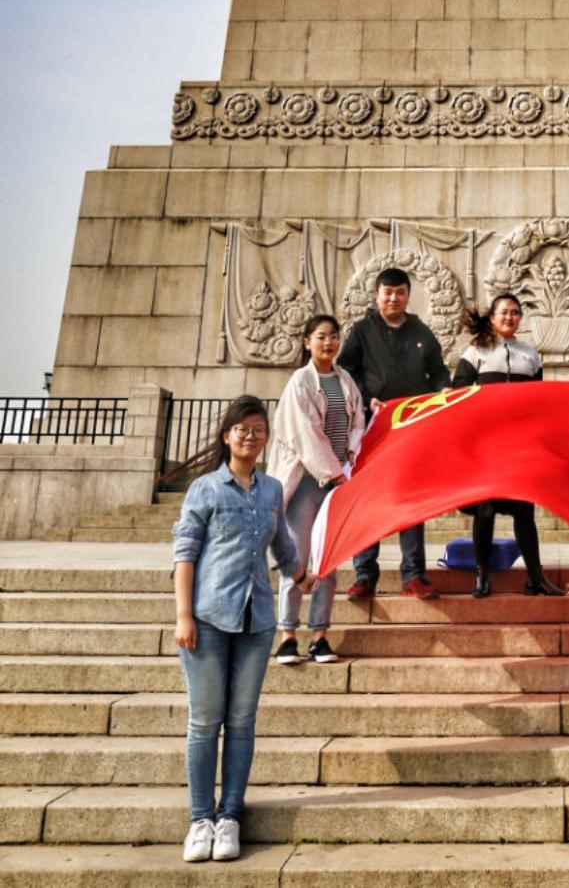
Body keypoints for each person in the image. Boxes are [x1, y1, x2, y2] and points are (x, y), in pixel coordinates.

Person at [172, 395, 312, 865]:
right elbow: (185, 553)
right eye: (242, 429)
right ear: (227, 436)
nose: (250, 436)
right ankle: (200, 819)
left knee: (242, 722)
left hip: (257, 622)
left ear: (266, 438)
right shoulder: (205, 489)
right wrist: (183, 616)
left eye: (258, 429)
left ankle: (230, 814)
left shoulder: (271, 490)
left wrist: (302, 576)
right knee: (204, 722)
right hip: (208, 619)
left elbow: (283, 545)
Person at [337, 265, 451, 601]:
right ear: (377, 295)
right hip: (372, 426)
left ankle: (413, 575)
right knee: (368, 499)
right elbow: (346, 371)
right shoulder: (362, 331)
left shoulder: (420, 331)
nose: (393, 298)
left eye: (400, 292)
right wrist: (364, 396)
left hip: (411, 428)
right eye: (387, 292)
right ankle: (364, 575)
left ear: (408, 296)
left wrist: (444, 390)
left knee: (410, 499)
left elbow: (438, 371)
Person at [267, 313, 366, 666]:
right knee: (297, 556)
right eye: (321, 336)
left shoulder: (345, 380)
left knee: (328, 559)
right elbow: (304, 434)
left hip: (338, 479)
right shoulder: (300, 381)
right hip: (308, 480)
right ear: (307, 342)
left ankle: (320, 635)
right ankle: (288, 635)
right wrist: (333, 472)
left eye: (334, 336)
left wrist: (350, 456)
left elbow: (358, 422)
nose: (329, 342)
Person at [452, 292, 564, 599]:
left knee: (524, 509)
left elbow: (539, 401)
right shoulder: (476, 351)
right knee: (485, 509)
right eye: (504, 312)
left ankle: (535, 577)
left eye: (515, 312)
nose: (509, 317)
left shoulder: (530, 355)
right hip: (486, 444)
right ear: (492, 317)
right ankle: (482, 575)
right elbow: (459, 393)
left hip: (519, 445)